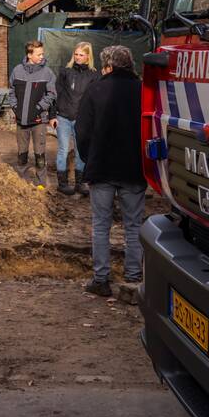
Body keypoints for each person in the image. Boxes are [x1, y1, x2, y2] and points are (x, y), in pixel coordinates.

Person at [75, 45, 145, 298]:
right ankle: (134, 277)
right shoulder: (143, 91)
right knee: (134, 225)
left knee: (101, 224)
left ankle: (101, 279)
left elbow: (81, 131)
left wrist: (88, 158)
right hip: (134, 168)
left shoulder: (95, 89)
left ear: (108, 66)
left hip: (101, 167)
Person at [7, 41, 57, 188]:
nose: (42, 56)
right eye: (39, 54)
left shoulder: (47, 73)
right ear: (29, 55)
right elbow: (11, 91)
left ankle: (41, 183)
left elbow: (51, 94)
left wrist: (39, 107)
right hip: (21, 121)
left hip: (38, 121)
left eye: (42, 53)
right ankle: (21, 183)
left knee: (39, 155)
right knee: (22, 154)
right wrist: (15, 107)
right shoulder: (17, 70)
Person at [52, 41, 99, 196]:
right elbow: (55, 94)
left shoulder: (93, 75)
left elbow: (95, 99)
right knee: (63, 150)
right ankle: (63, 184)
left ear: (88, 56)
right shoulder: (65, 72)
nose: (78, 57)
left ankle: (80, 183)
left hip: (82, 119)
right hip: (63, 117)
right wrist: (52, 115)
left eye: (81, 55)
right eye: (76, 54)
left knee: (81, 152)